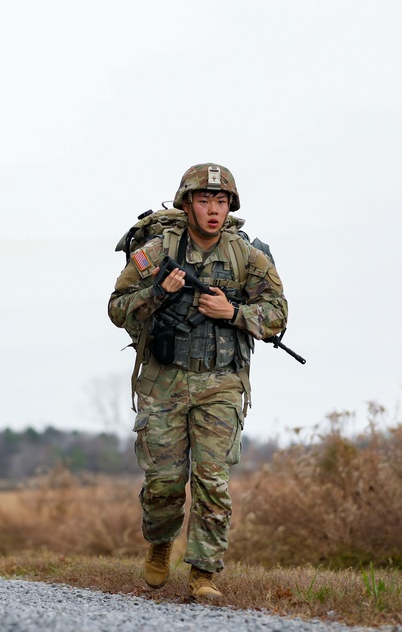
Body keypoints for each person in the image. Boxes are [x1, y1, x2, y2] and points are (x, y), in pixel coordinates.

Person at [108, 163, 288, 602]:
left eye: (221, 201)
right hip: (164, 383)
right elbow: (116, 309)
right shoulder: (157, 249)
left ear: (231, 206)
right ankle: (160, 543)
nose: (213, 210)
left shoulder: (248, 257)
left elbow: (278, 313)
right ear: (187, 204)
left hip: (221, 383)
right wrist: (157, 294)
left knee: (213, 481)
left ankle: (203, 574)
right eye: (204, 200)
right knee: (164, 484)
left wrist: (235, 314)